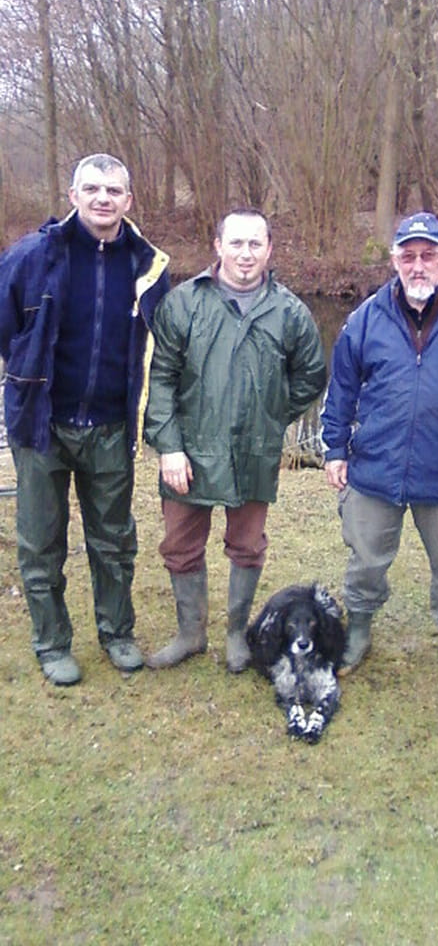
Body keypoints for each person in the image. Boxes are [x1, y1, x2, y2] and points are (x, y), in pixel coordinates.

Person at [0, 153, 170, 685]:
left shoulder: (150, 267)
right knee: (40, 542)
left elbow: (160, 348)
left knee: (114, 540)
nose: (103, 198)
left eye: (114, 191)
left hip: (111, 429)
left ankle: (117, 634)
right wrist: (29, 379)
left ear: (128, 201)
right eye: (92, 189)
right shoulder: (32, 256)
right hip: (41, 425)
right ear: (72, 196)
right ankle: (52, 643)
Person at [144, 207, 326, 673]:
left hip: (254, 452)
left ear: (269, 250)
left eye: (255, 244)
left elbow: (310, 377)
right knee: (180, 546)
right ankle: (190, 633)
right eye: (236, 243)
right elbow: (160, 378)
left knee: (247, 545)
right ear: (218, 246)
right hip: (188, 450)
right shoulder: (183, 303)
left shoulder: (290, 312)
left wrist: (271, 417)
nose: (245, 254)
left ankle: (235, 635)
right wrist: (169, 446)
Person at [321, 212, 438, 679]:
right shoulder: (366, 317)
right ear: (395, 260)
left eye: (428, 255)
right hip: (375, 468)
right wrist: (335, 448)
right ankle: (358, 627)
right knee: (365, 559)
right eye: (407, 255)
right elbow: (341, 389)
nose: (418, 265)